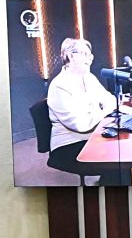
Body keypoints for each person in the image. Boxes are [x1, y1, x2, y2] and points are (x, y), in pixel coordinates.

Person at [44, 37, 116, 176]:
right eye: (85, 54)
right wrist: (104, 111)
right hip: (68, 145)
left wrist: (100, 111)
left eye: (90, 55)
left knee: (121, 148)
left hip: (92, 134)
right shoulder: (60, 85)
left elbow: (110, 100)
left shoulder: (88, 77)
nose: (90, 59)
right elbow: (81, 125)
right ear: (70, 56)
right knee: (114, 161)